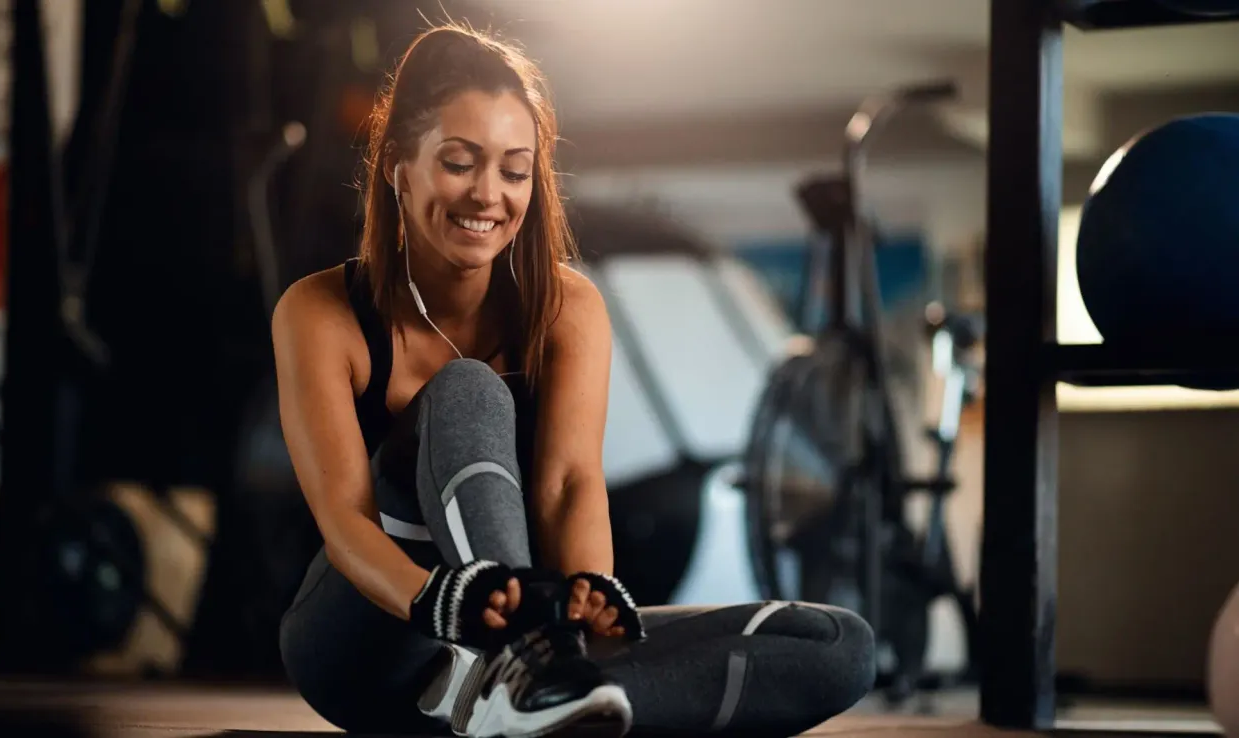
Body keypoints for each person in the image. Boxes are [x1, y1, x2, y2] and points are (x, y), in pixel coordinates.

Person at [274, 23, 876, 738]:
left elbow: (568, 485)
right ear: (399, 166)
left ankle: (549, 704)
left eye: (514, 169)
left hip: (524, 651)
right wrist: (457, 607)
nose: (487, 194)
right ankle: (525, 677)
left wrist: (590, 590)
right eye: (460, 162)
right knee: (468, 391)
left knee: (836, 646)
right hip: (368, 645)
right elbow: (345, 523)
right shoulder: (321, 313)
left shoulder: (568, 308)